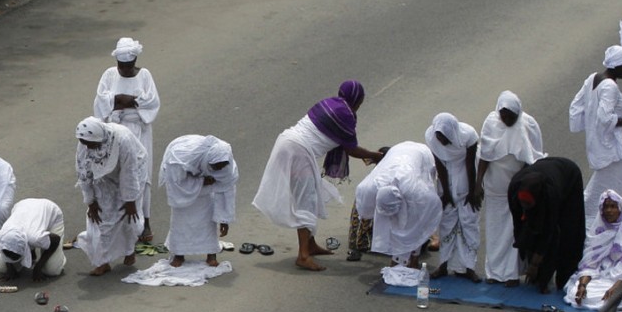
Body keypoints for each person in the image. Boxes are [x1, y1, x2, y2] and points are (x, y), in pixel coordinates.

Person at [253, 80, 384, 271]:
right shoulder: (346, 114)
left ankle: (311, 245)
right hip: (298, 152)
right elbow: (351, 149)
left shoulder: (329, 103)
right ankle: (303, 255)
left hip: (289, 144)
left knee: (311, 196)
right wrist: (374, 156)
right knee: (305, 201)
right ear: (358, 100)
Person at [474, 90, 545, 287]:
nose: (506, 119)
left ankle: (512, 274)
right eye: (503, 115)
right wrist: (478, 184)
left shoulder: (528, 124)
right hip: (495, 187)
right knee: (495, 230)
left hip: (517, 188)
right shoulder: (491, 122)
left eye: (510, 116)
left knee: (514, 231)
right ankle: (495, 272)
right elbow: (485, 155)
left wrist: (525, 188)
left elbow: (534, 158)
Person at [94, 37, 160, 244]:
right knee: (114, 174)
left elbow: (152, 102)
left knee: (142, 174)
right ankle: (117, 221)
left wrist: (124, 100)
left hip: (138, 130)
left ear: (134, 62)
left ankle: (144, 221)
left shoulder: (145, 75)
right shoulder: (109, 74)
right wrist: (119, 101)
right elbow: (101, 101)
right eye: (121, 66)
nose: (123, 70)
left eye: (128, 66)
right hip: (114, 130)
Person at [570, 21, 622, 229]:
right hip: (612, 154)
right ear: (619, 66)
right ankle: (605, 239)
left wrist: (592, 132)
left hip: (602, 150)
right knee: (614, 201)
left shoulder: (592, 79)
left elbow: (576, 108)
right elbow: (604, 118)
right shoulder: (610, 87)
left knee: (597, 198)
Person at [75, 116, 148, 276]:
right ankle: (103, 261)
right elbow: (83, 172)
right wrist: (90, 201)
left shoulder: (123, 138)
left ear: (100, 138)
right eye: (84, 143)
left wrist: (130, 200)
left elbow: (129, 171)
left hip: (132, 171)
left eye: (91, 144)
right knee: (101, 218)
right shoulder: (85, 142)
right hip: (103, 176)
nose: (88, 147)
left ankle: (130, 251)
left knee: (127, 215)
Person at [355, 141, 442, 269]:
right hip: (396, 154)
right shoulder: (367, 189)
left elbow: (422, 219)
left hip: (423, 155)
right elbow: (365, 214)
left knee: (414, 220)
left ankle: (413, 258)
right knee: (395, 223)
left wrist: (413, 252)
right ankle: (399, 257)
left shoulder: (421, 194)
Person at [508, 157, 586, 294]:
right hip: (545, 173)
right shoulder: (514, 188)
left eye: (528, 204)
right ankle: (538, 277)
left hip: (568, 178)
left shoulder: (550, 194)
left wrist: (534, 264)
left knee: (568, 230)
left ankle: (565, 278)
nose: (524, 207)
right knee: (530, 227)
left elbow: (549, 232)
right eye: (523, 203)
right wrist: (524, 252)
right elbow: (518, 225)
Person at [159, 135, 238, 268]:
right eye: (215, 167)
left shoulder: (226, 162)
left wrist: (224, 219)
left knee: (207, 219)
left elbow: (227, 188)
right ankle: (179, 254)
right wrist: (202, 181)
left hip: (207, 191)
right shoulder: (180, 157)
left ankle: (211, 254)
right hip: (182, 182)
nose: (218, 170)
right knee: (181, 219)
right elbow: (177, 183)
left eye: (221, 167)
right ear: (209, 160)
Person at [425, 113, 481, 282]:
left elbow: (470, 164)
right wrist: (447, 195)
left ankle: (468, 267)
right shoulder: (431, 137)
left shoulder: (468, 135)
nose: (441, 140)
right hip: (446, 180)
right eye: (439, 136)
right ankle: (443, 266)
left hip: (464, 176)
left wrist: (473, 192)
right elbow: (439, 165)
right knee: (447, 223)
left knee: (468, 223)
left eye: (444, 137)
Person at [563, 190, 622, 311]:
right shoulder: (597, 230)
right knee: (575, 292)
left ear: (620, 208)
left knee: (621, 298)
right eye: (605, 207)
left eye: (613, 206)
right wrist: (582, 285)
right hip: (601, 275)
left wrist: (616, 287)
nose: (609, 211)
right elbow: (589, 263)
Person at [0, 198, 66, 282]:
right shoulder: (1, 236)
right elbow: (6, 248)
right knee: (4, 268)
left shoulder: (35, 238)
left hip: (51, 213)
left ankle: (59, 258)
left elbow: (56, 240)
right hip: (22, 206)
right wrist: (9, 267)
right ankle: (32, 254)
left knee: (52, 270)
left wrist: (38, 267)